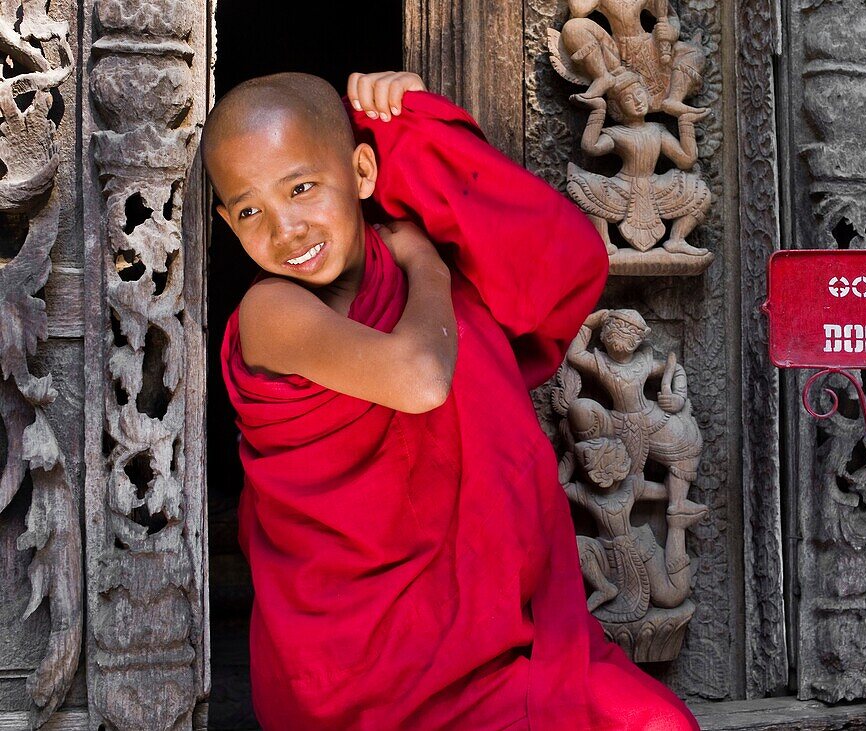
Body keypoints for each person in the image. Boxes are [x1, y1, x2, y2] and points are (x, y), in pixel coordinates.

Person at [203, 69, 701, 731]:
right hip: (351, 673)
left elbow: (558, 263)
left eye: (301, 187)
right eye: (249, 210)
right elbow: (420, 378)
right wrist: (427, 269)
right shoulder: (272, 309)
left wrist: (420, 129)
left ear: (360, 170)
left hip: (488, 647)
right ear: (225, 222)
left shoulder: (441, 285)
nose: (285, 227)